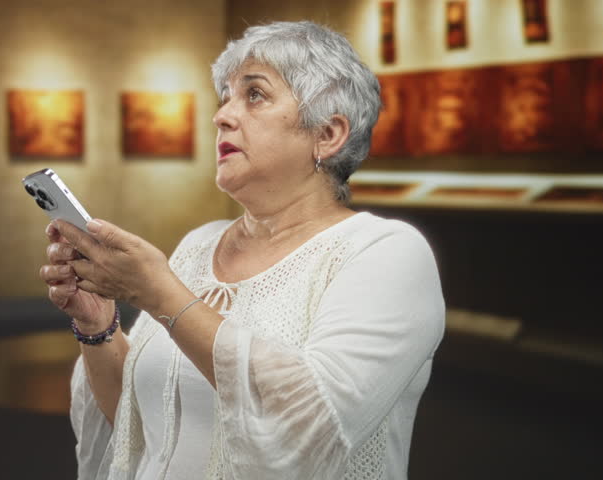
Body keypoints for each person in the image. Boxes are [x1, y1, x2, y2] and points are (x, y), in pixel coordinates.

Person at [39, 21, 444, 480]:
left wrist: (160, 295)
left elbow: (311, 428)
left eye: (254, 95)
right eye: (226, 97)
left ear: (327, 135)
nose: (222, 116)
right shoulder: (199, 245)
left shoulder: (384, 254)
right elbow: (137, 427)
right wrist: (98, 326)